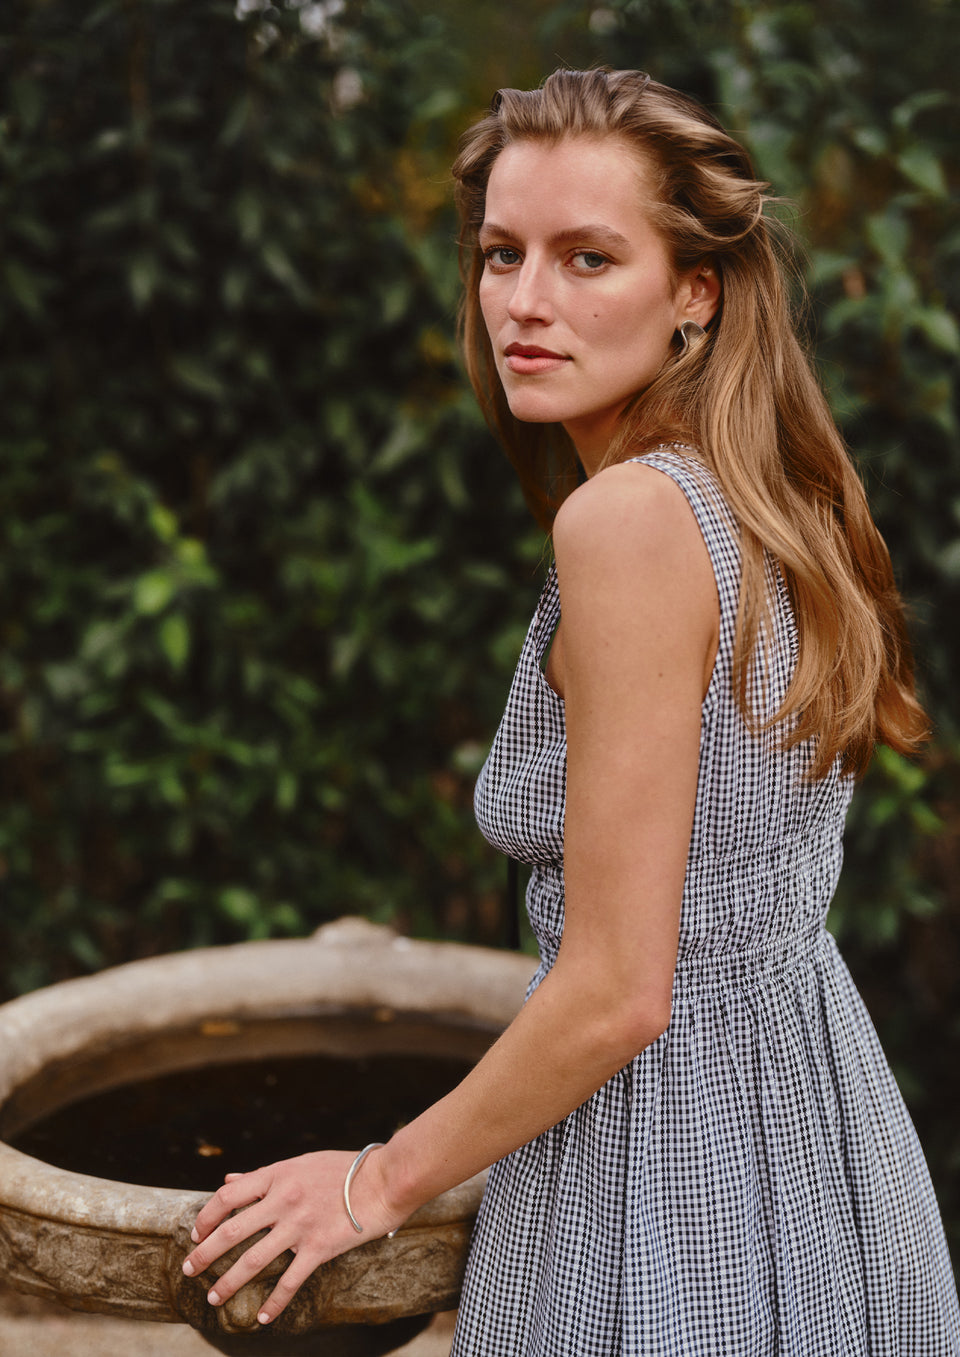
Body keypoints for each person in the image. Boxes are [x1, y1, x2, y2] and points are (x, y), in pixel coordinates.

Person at [183, 68, 960, 1353]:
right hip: (824, 1148)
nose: (524, 303)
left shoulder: (633, 521)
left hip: (663, 1174)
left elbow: (618, 989)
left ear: (693, 292)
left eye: (587, 257)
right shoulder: (761, 498)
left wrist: (369, 1183)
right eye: (502, 253)